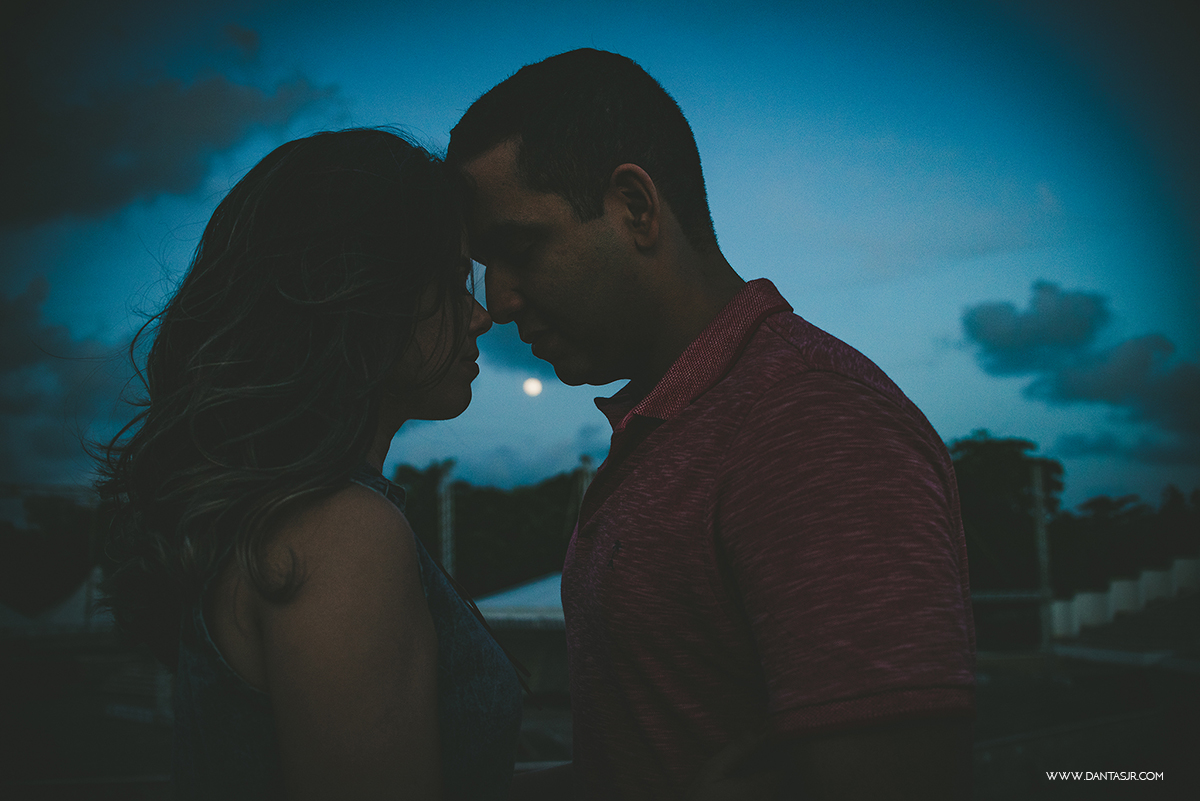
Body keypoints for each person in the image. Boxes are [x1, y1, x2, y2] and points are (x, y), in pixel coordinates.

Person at [447, 50, 975, 800]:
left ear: (635, 207)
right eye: (481, 267)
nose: (498, 301)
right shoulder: (684, 423)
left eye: (519, 249)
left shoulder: (810, 424)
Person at [96, 129, 522, 800]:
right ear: (357, 291)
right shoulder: (341, 533)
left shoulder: (286, 515)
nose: (480, 316)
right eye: (448, 281)